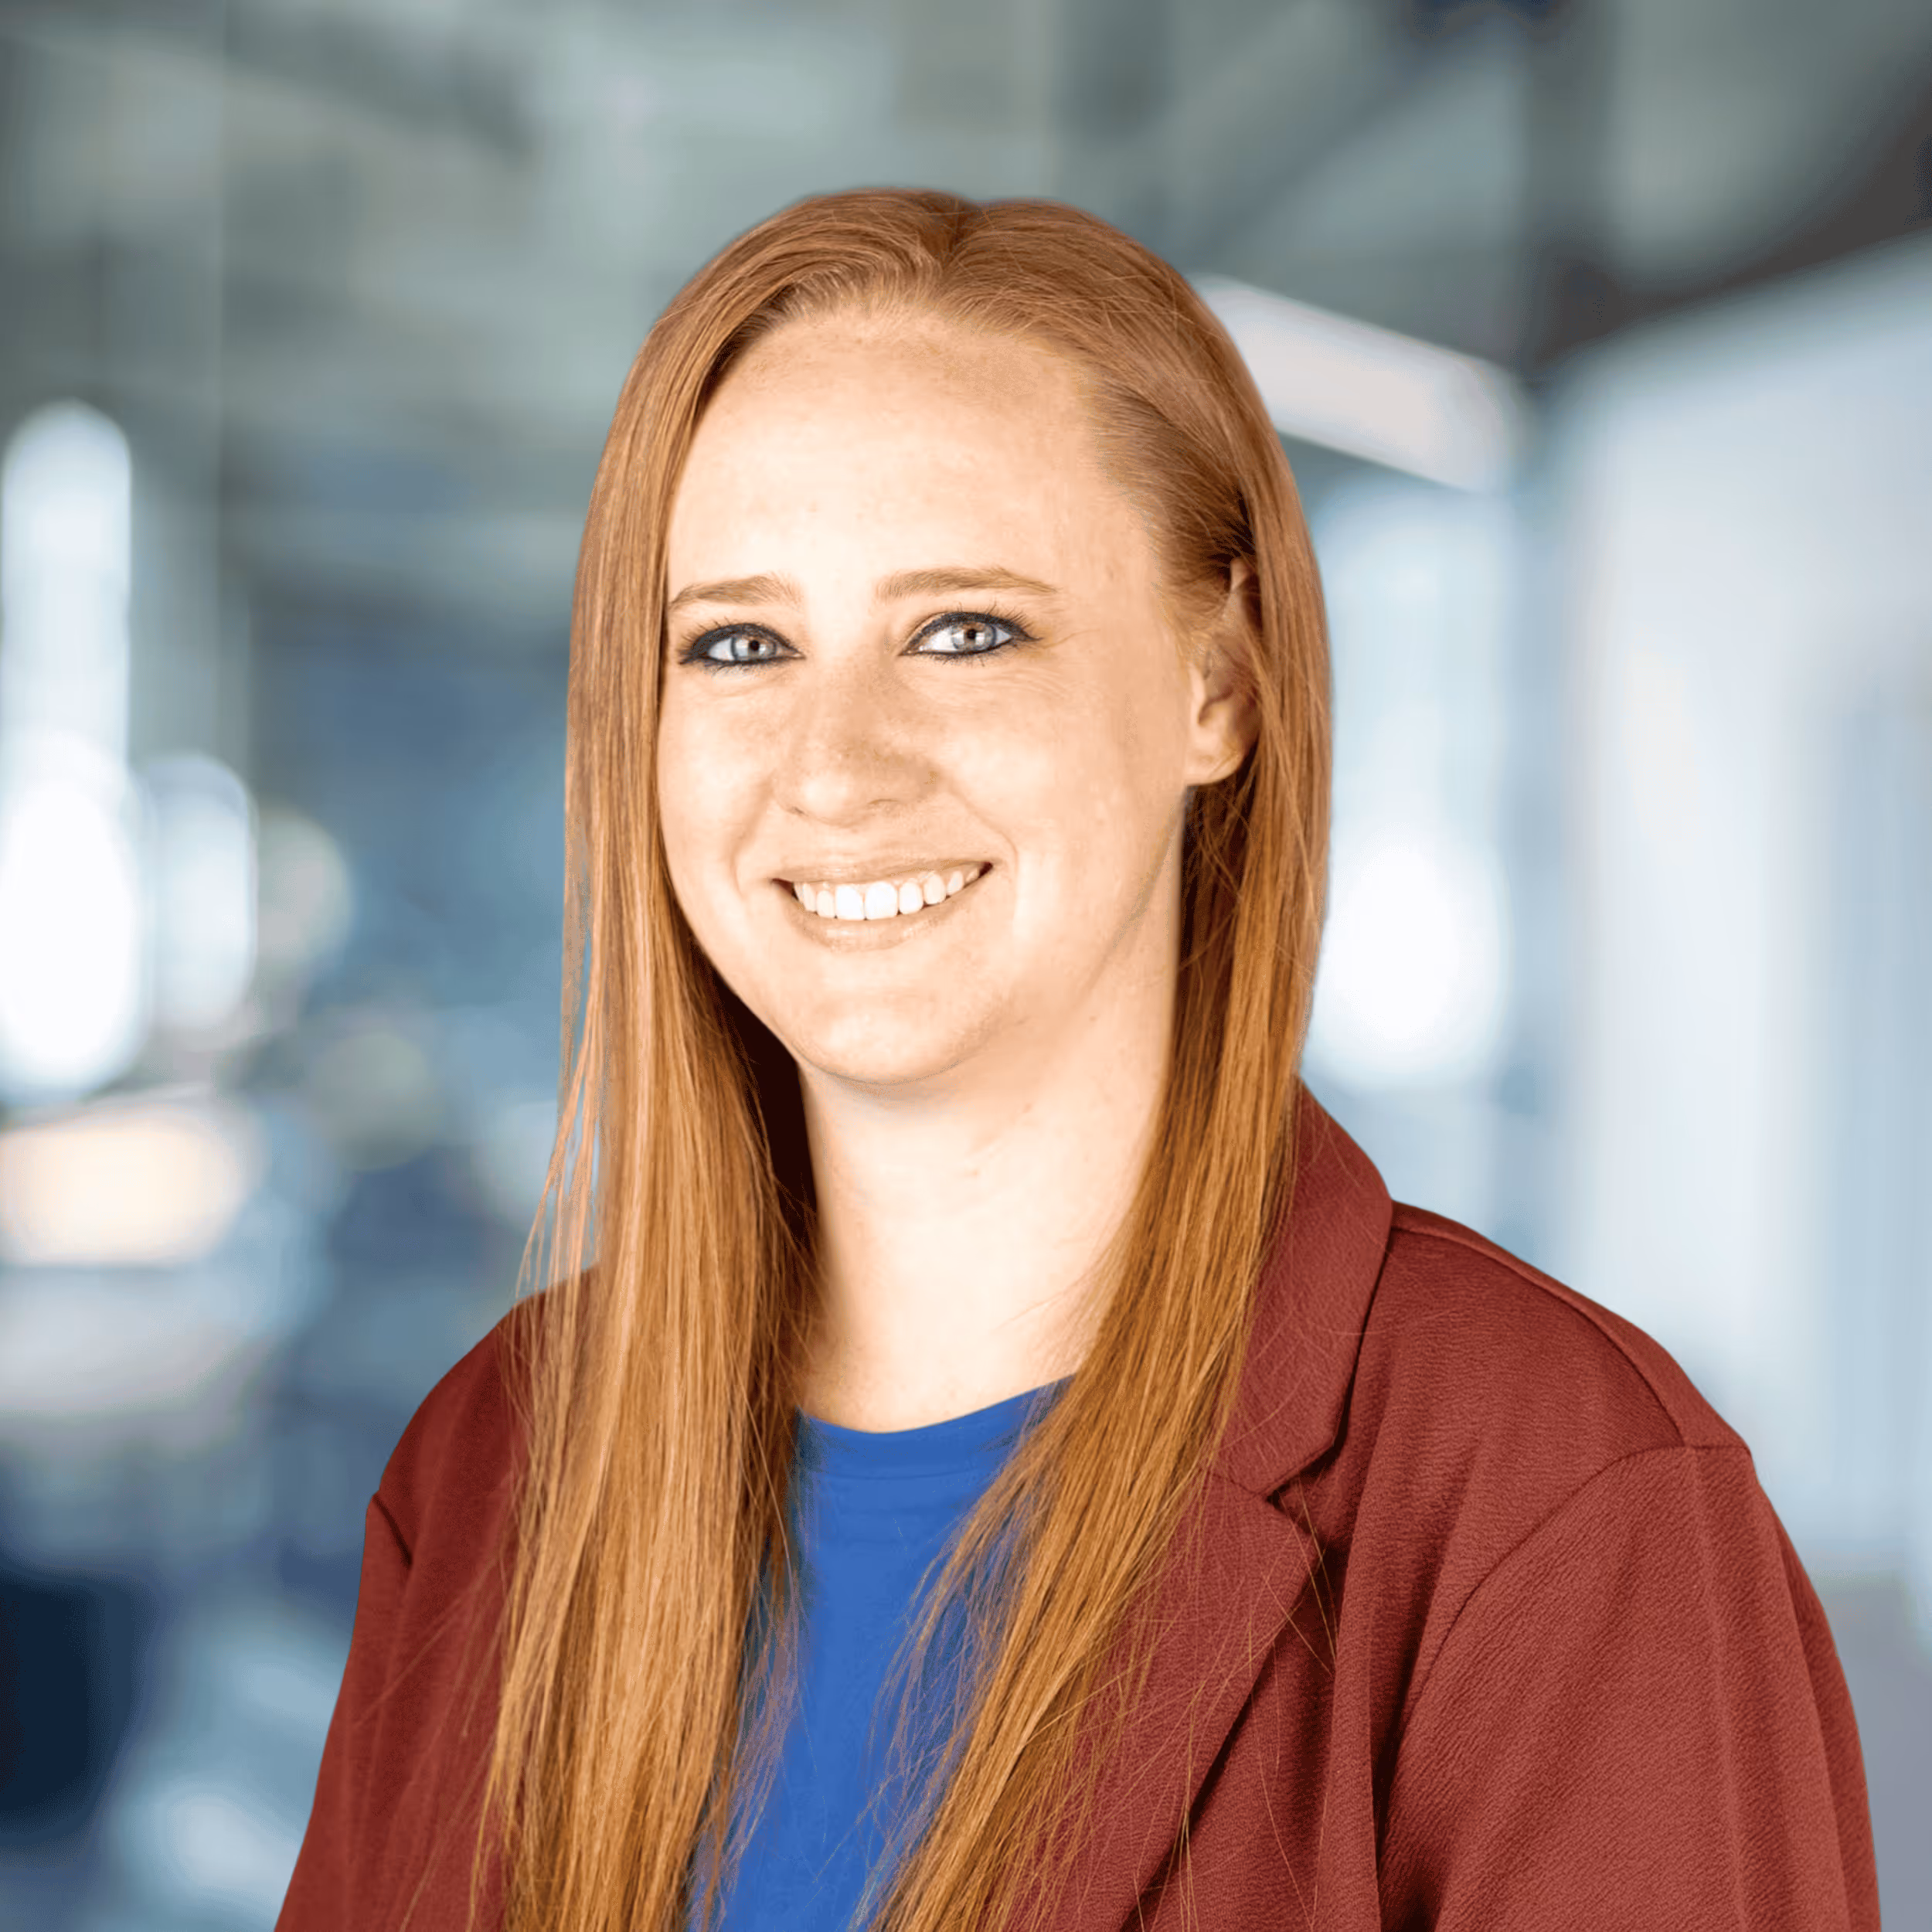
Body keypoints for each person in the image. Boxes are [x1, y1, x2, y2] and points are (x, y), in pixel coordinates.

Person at [277, 189, 1879, 1932]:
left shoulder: (1550, 1497)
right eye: (739, 643)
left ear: (1219, 681)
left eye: (964, 628)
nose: (835, 764)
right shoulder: (496, 1462)